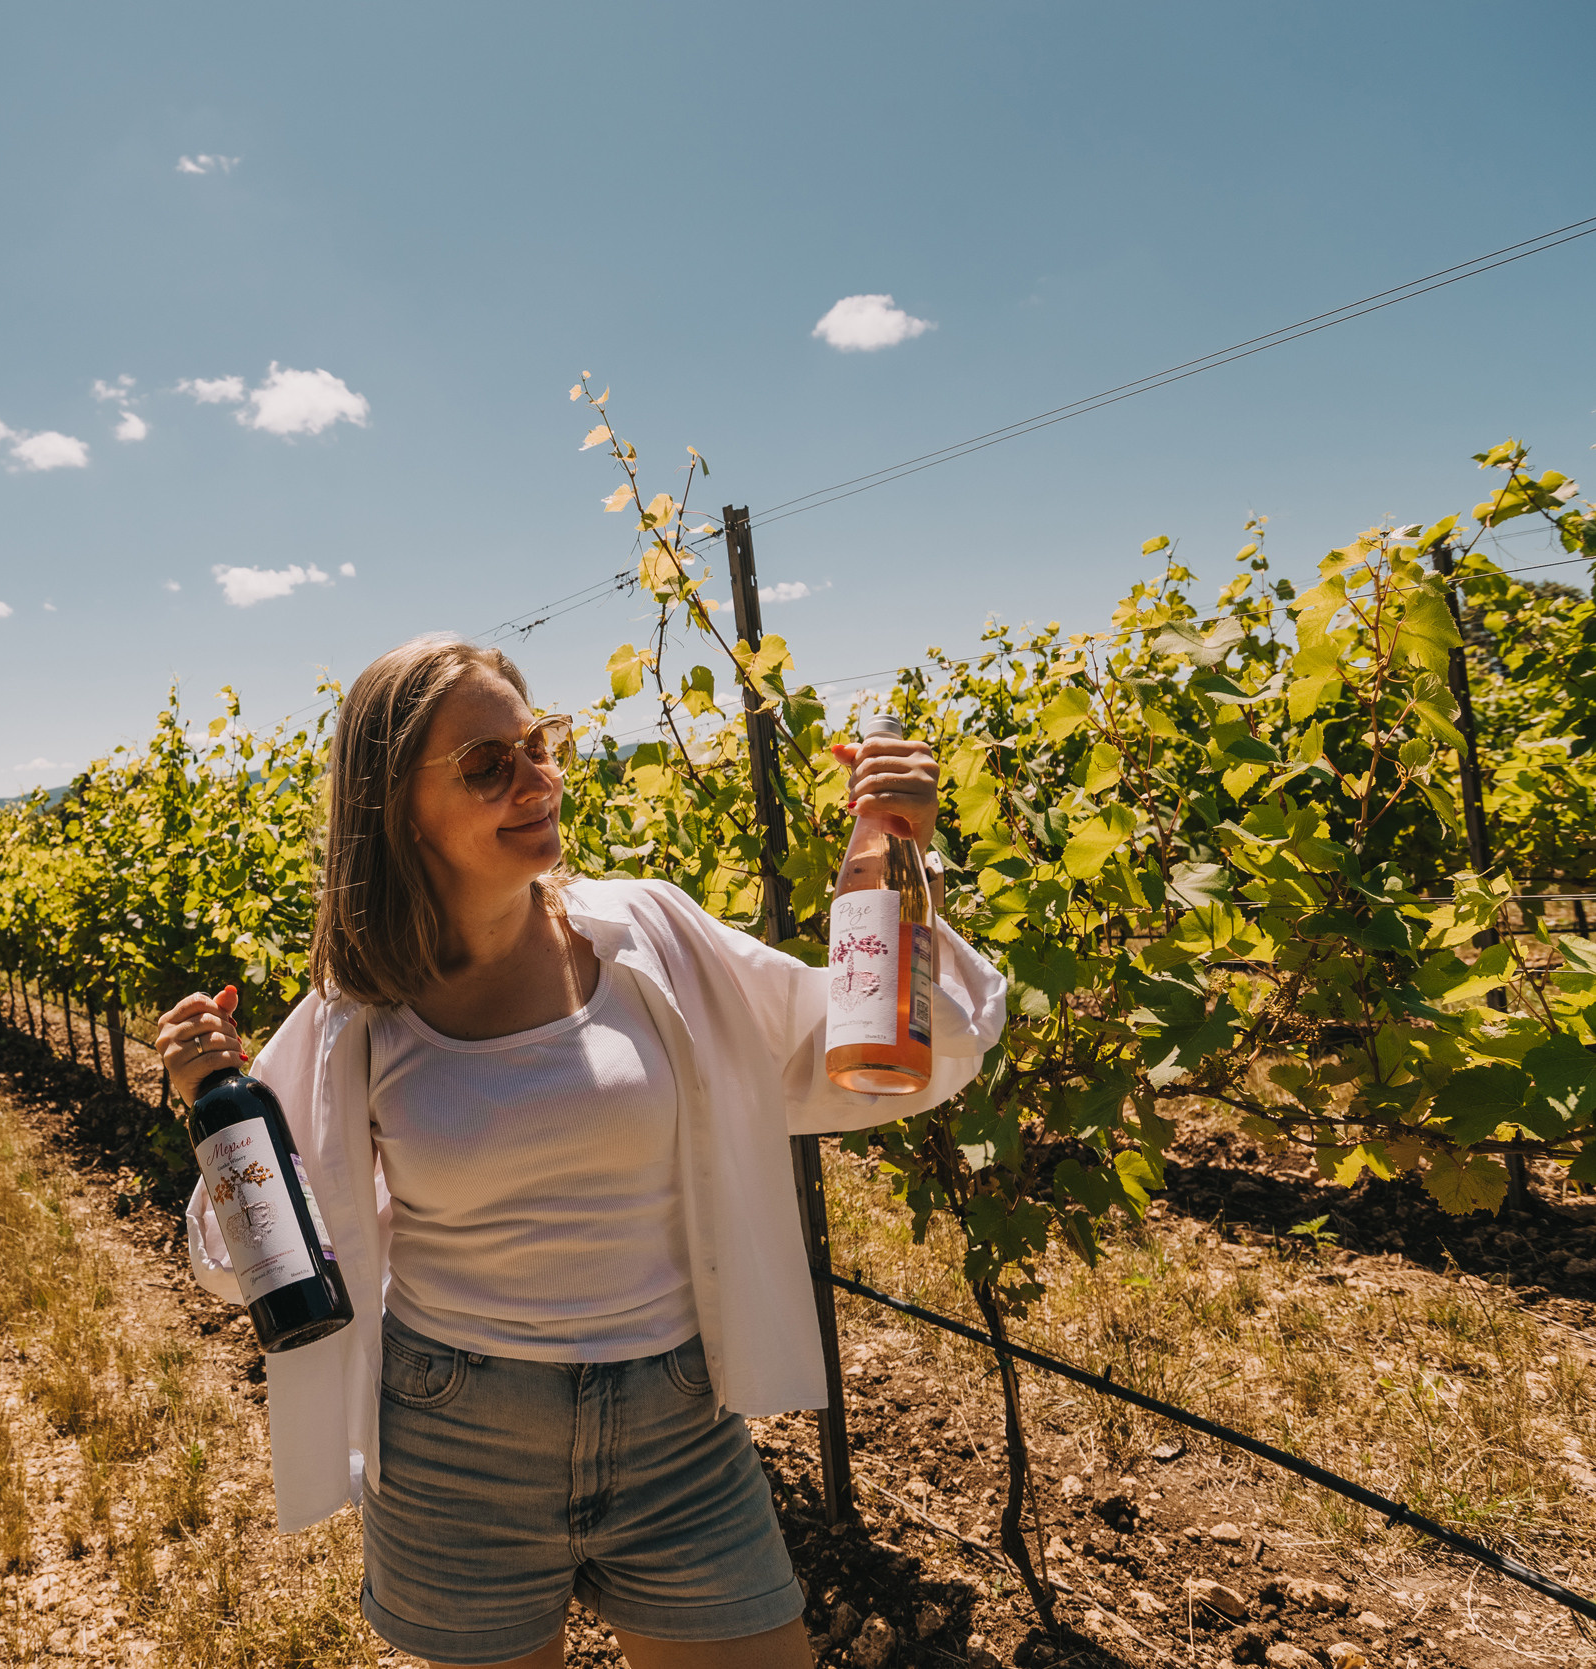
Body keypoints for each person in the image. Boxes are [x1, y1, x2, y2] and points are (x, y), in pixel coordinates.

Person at [159, 635, 1006, 1669]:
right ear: (394, 808)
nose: (538, 779)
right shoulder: (356, 1016)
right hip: (454, 1443)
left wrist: (898, 856)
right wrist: (217, 1107)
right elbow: (246, 1255)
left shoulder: (648, 935)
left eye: (538, 743)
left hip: (678, 1431)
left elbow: (878, 1046)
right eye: (485, 765)